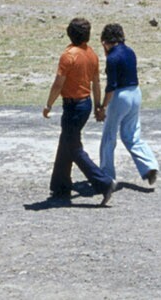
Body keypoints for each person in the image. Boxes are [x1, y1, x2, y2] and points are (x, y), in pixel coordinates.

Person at [43, 16, 114, 204]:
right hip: (85, 104)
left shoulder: (68, 56)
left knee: (73, 147)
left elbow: (58, 84)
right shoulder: (92, 55)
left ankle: (104, 183)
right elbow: (96, 83)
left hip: (73, 106)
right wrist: (98, 105)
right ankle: (60, 186)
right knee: (66, 142)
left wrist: (49, 104)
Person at [96, 21, 159, 189]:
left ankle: (107, 176)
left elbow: (111, 86)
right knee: (131, 134)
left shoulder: (112, 57)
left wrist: (103, 107)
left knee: (109, 136)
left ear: (105, 41)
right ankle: (149, 165)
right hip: (136, 93)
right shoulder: (130, 51)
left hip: (121, 96)